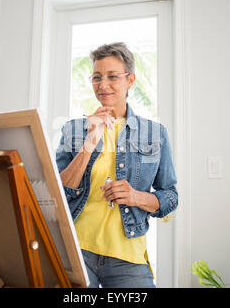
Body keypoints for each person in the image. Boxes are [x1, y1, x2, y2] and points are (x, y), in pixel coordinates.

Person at [56, 42, 178, 288]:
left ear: (130, 80)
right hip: (76, 250)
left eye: (112, 77)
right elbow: (59, 193)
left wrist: (135, 197)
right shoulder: (73, 130)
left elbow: (170, 197)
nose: (103, 85)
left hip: (127, 255)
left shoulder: (155, 133)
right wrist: (89, 141)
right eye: (96, 77)